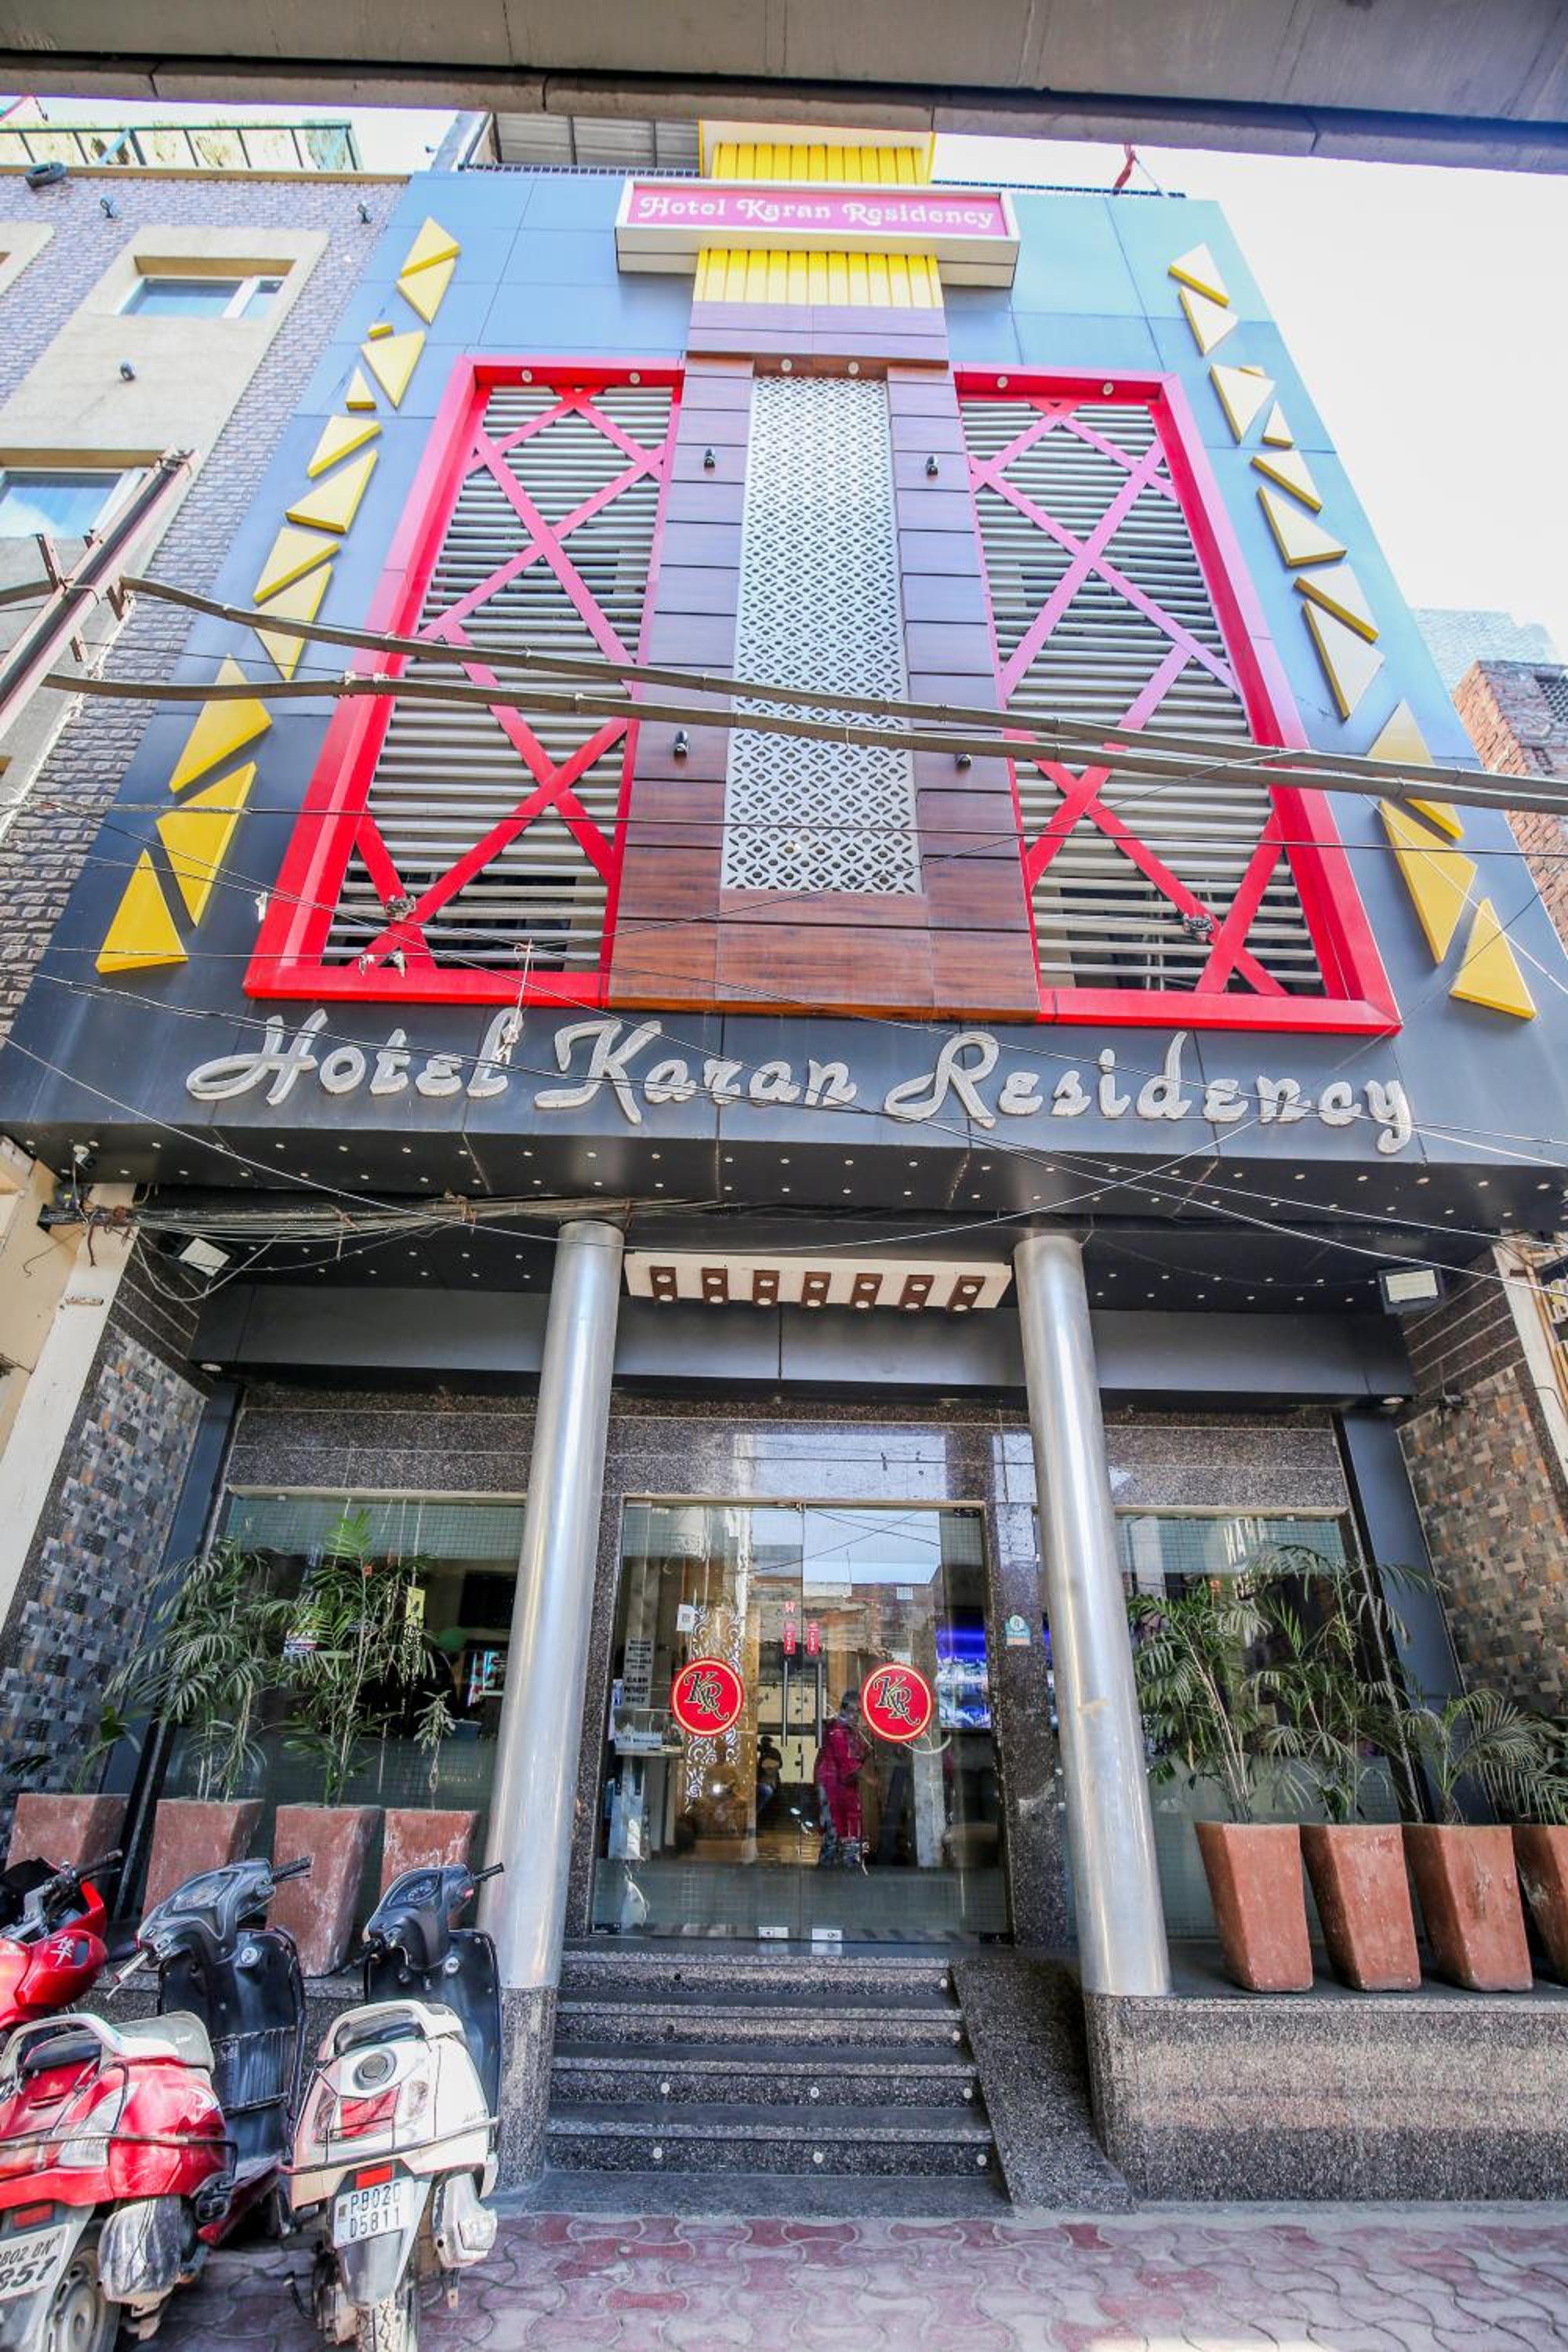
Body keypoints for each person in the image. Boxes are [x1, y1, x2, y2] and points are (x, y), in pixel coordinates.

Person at [814, 1690, 869, 1870]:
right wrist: (867, 1777)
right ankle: (830, 1866)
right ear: (844, 1709)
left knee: (840, 1828)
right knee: (834, 1828)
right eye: (853, 1711)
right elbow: (846, 1761)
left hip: (839, 1784)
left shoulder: (850, 1731)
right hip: (832, 1785)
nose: (856, 1715)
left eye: (859, 1712)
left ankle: (833, 1865)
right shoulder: (837, 1731)